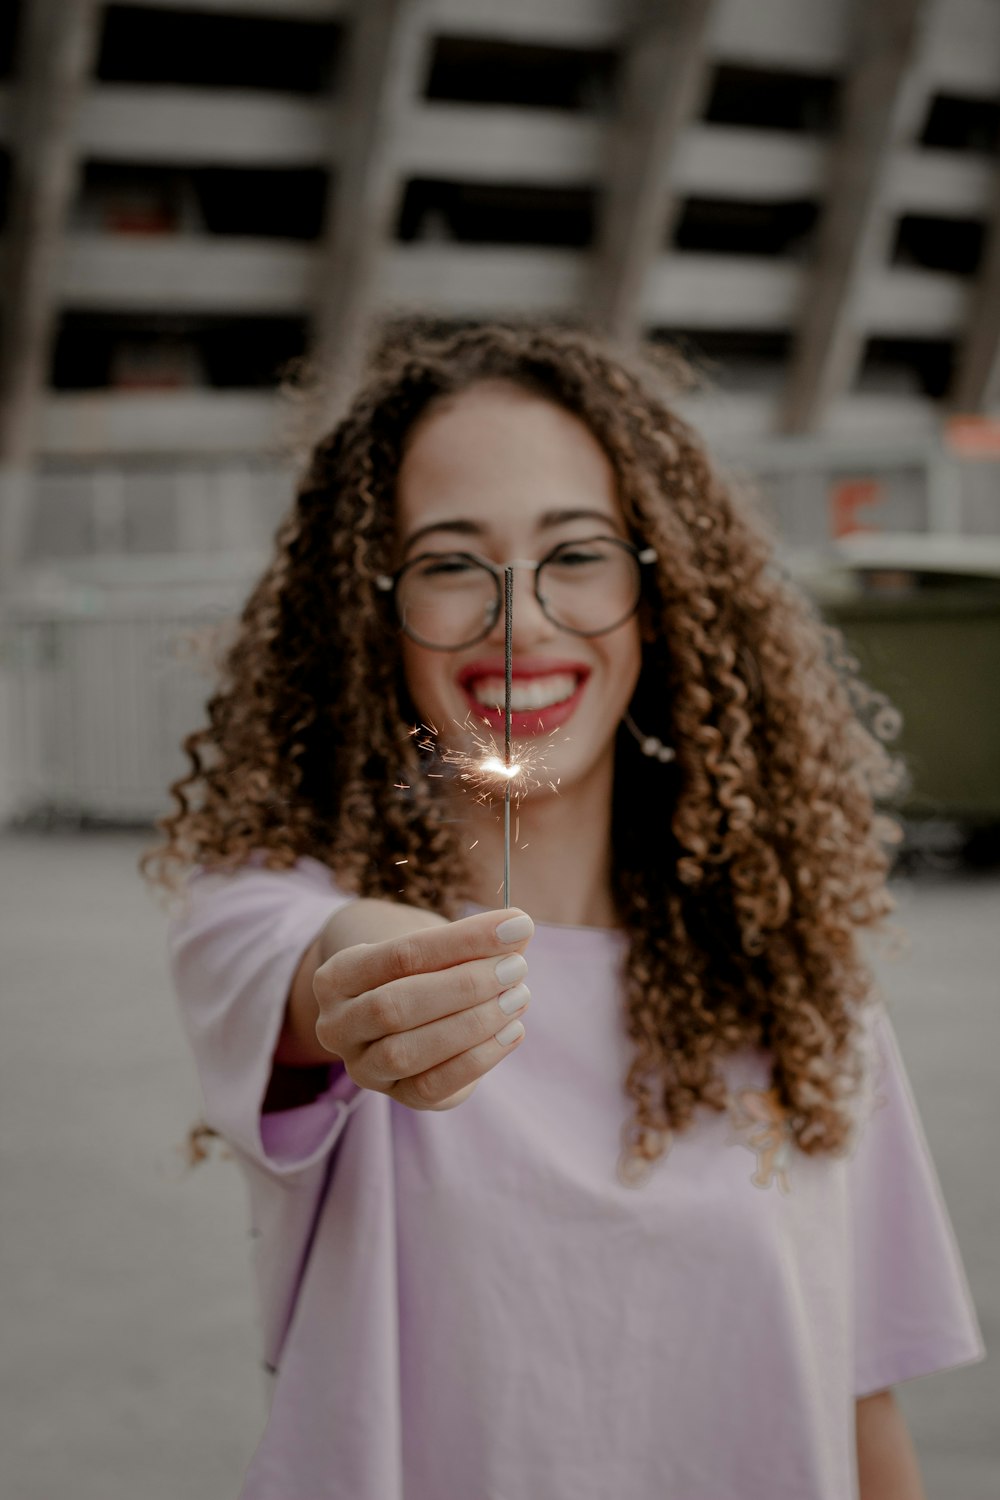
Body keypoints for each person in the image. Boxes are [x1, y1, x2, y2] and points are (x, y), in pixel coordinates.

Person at [144, 320, 986, 1500]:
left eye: (576, 552)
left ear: (662, 592)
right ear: (369, 614)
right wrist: (375, 988)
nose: (520, 618)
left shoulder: (794, 980)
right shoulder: (260, 918)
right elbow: (331, 974)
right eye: (447, 563)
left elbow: (860, 1411)